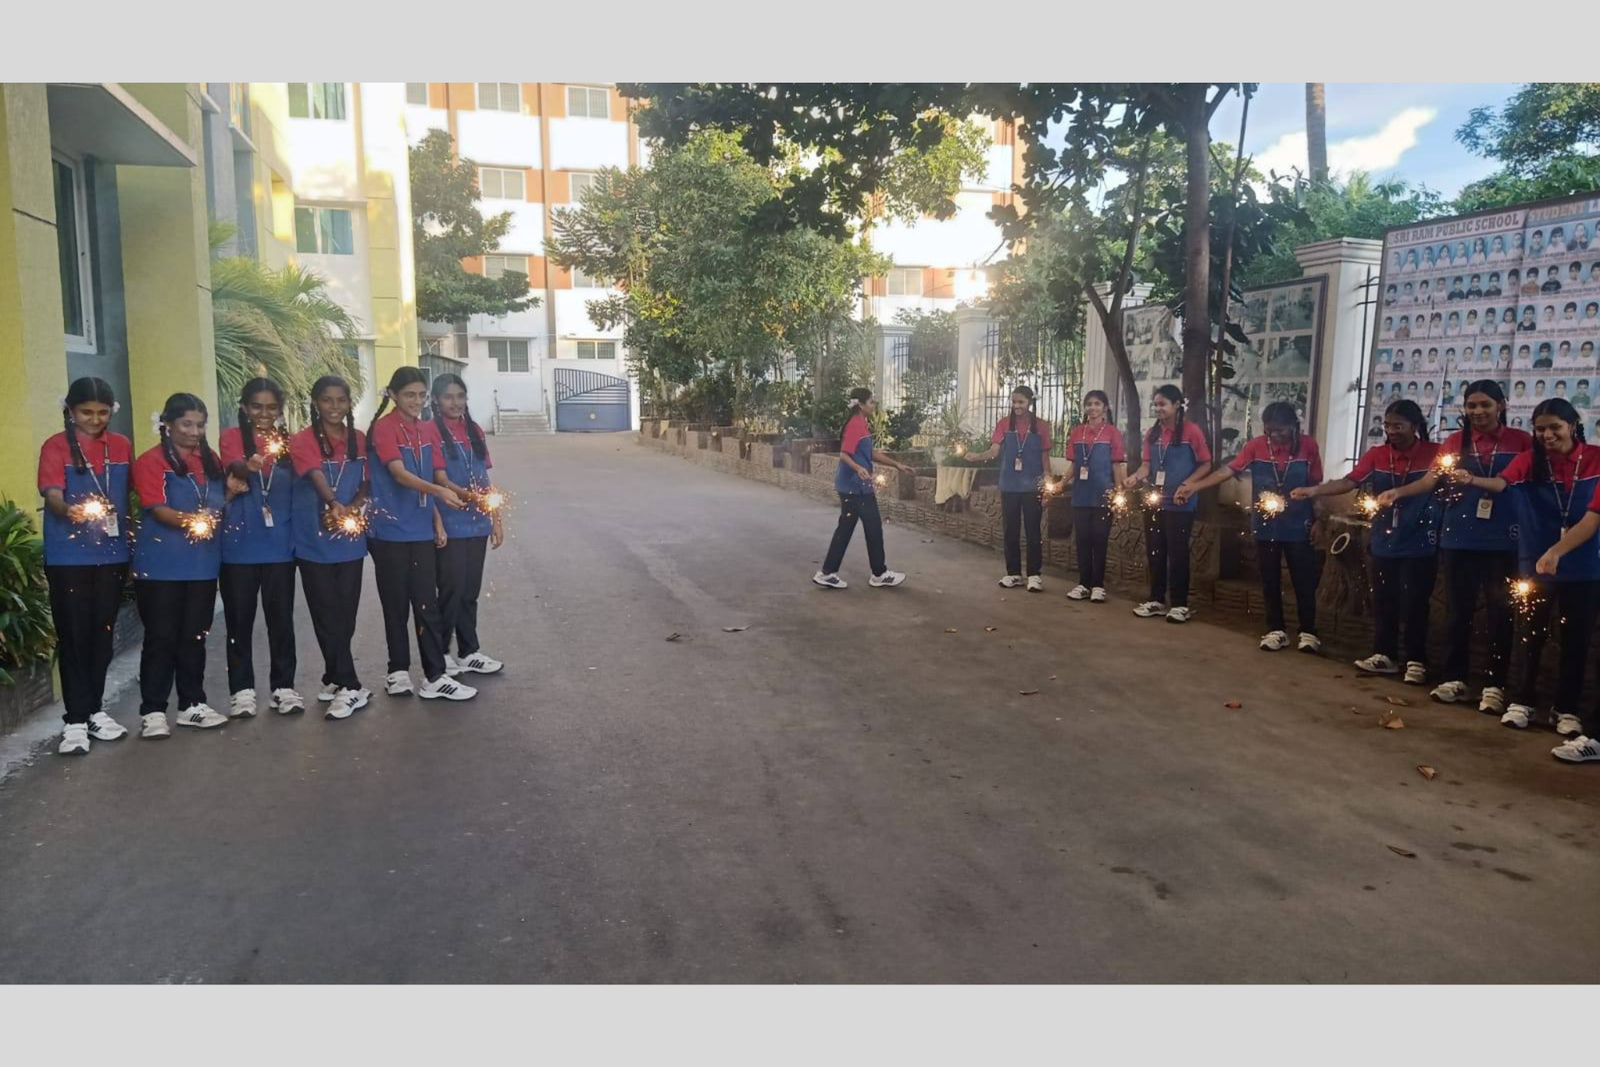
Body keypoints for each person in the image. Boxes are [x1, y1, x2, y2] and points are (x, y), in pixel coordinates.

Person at [1376, 381, 1530, 714]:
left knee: (1500, 613)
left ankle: (1494, 685)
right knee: (1458, 611)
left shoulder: (1521, 442)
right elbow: (1430, 480)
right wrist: (1398, 492)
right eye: (1471, 405)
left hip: (1505, 539)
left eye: (1485, 404)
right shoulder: (1454, 442)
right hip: (1459, 537)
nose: (1478, 411)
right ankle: (1454, 677)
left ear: (1501, 405)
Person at [1478, 399, 1600, 762]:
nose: (1547, 435)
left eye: (1554, 427)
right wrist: (1470, 479)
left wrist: (1558, 551)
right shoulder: (1531, 460)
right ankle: (1522, 700)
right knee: (1530, 632)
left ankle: (1566, 708)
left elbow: (1592, 519)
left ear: (1573, 425)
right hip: (1538, 563)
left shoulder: (1595, 459)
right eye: (1540, 428)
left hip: (1584, 565)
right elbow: (1502, 482)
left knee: (1576, 639)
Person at [1294, 400, 1439, 684]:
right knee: (1384, 599)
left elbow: (1437, 483)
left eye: (1398, 425)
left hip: (1420, 539)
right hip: (1385, 538)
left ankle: (1416, 660)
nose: (1392, 431)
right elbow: (1349, 482)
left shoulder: (1434, 453)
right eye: (1387, 425)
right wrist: (1314, 490)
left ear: (1414, 425)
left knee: (1415, 602)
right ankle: (1384, 654)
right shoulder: (1377, 455)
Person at [131, 393, 244, 737]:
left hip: (202, 565)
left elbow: (215, 504)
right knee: (161, 637)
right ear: (167, 424)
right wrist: (193, 521)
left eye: (200, 425)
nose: (194, 432)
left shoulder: (210, 461)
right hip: (160, 567)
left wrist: (230, 493)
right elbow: (157, 508)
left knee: (195, 636)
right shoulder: (150, 461)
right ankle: (153, 710)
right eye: (186, 424)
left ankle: (192, 704)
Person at [366, 367, 477, 701]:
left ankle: (434, 676)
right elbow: (400, 475)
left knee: (426, 603)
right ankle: (397, 671)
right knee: (395, 604)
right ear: (393, 395)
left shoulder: (423, 430)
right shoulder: (383, 428)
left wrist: (436, 521)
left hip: (420, 530)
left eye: (421, 395)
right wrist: (440, 492)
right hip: (389, 531)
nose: (416, 401)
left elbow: (426, 476)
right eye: (409, 395)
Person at [1177, 402, 1323, 652]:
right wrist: (1196, 486)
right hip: (1266, 525)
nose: (1274, 435)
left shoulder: (1309, 446)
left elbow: (1317, 486)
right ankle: (1275, 629)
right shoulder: (1256, 446)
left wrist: (1320, 519)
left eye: (1281, 431)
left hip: (1299, 524)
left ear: (1294, 426)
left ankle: (1308, 631)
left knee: (1303, 580)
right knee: (1269, 578)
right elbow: (1228, 470)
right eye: (1269, 430)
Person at [39, 378, 133, 755]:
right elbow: (52, 495)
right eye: (86, 412)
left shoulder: (121, 445)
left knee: (101, 635)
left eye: (102, 412)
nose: (94, 419)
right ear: (70, 411)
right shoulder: (55, 446)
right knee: (74, 636)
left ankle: (94, 710)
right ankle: (75, 720)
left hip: (112, 554)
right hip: (68, 557)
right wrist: (68, 510)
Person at [217, 378, 303, 720]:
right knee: (239, 622)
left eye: (271, 407)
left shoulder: (289, 443)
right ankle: (242, 691)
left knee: (281, 621)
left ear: (279, 410)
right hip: (238, 548)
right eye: (256, 406)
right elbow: (233, 469)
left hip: (280, 547)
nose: (264, 413)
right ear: (244, 407)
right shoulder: (231, 437)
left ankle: (283, 687)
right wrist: (248, 466)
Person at [290, 376, 371, 721]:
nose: (334, 406)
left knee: (346, 614)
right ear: (315, 403)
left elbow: (367, 482)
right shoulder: (302, 440)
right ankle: (350, 685)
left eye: (341, 400)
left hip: (349, 540)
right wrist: (333, 503)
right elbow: (315, 476)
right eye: (327, 400)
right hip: (313, 541)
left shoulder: (359, 439)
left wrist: (350, 508)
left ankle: (333, 677)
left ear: (349, 403)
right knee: (326, 612)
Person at [430, 373, 505, 675]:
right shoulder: (430, 431)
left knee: (470, 591)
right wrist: (470, 497)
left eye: (460, 396)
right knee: (450, 589)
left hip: (478, 522)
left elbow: (484, 477)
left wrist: (495, 519)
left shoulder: (474, 430)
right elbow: (439, 479)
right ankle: (441, 653)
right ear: (436, 400)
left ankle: (469, 650)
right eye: (448, 397)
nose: (455, 403)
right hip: (450, 520)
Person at [1123, 384, 1212, 623]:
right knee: (1155, 550)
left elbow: (1206, 464)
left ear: (1177, 405)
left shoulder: (1192, 432)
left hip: (1180, 502)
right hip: (1155, 501)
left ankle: (1180, 604)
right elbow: (1147, 465)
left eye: (1162, 404)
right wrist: (1135, 477)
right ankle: (1156, 599)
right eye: (1155, 404)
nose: (1158, 408)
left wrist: (1188, 484)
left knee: (1177, 552)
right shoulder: (1152, 434)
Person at [814, 387, 912, 590]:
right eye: (871, 402)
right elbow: (844, 454)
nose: (874, 405)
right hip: (855, 488)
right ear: (860, 405)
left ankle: (828, 573)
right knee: (873, 528)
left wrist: (896, 464)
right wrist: (858, 468)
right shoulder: (855, 425)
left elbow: (870, 453)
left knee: (846, 529)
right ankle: (879, 574)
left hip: (853, 487)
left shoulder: (861, 423)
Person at [1058, 390, 1127, 602]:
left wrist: (1119, 491)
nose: (1092, 408)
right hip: (1081, 495)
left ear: (1105, 408)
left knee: (1100, 540)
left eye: (1097, 404)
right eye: (1089, 404)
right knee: (1082, 540)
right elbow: (1074, 464)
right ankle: (1083, 584)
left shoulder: (1113, 433)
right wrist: (1062, 482)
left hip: (1104, 495)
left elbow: (1117, 465)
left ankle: (1098, 585)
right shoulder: (1077, 432)